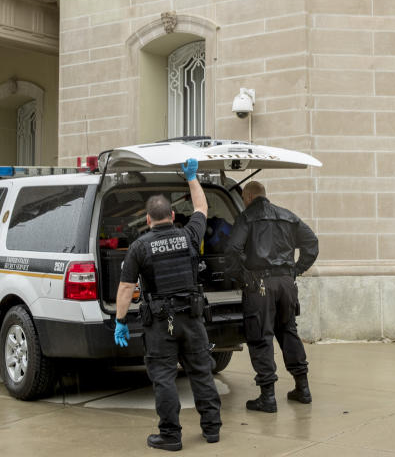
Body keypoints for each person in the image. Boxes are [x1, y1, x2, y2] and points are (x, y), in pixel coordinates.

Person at [114, 158, 221, 452]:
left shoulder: (139, 246)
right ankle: (212, 429)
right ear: (173, 215)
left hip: (161, 324)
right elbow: (201, 208)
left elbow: (125, 288)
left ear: (148, 220)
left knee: (163, 378)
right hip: (192, 318)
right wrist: (192, 178)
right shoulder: (189, 235)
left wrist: (120, 322)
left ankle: (171, 436)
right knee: (201, 371)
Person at [224, 181, 319, 413]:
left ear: (247, 197)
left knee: (260, 336)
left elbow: (232, 250)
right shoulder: (287, 216)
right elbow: (312, 244)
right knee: (288, 331)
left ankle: (267, 397)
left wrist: (241, 276)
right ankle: (303, 388)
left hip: (260, 284)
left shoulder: (247, 218)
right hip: (287, 284)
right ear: (264, 196)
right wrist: (295, 270)